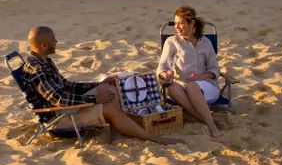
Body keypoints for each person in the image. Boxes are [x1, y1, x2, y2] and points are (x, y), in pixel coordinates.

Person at [23, 26, 183, 146]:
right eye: (53, 40)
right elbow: (59, 100)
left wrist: (98, 85)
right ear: (43, 45)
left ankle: (117, 134)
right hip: (60, 116)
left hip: (66, 107)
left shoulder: (44, 61)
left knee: (110, 88)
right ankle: (153, 138)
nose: (56, 42)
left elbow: (66, 85)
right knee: (110, 108)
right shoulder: (38, 70)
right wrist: (95, 99)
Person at [157, 6, 222, 138]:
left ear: (191, 23)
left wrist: (203, 76)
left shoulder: (205, 42)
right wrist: (166, 75)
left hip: (206, 86)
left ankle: (212, 127)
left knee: (192, 86)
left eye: (181, 23)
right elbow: (161, 68)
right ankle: (202, 117)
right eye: (175, 23)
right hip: (181, 86)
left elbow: (214, 69)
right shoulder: (171, 42)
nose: (177, 27)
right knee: (172, 89)